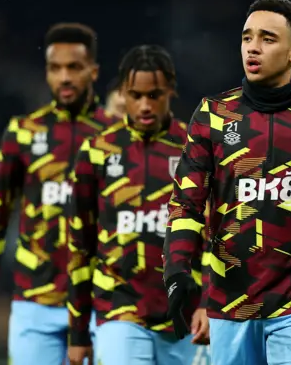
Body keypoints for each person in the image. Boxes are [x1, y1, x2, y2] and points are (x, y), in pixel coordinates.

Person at [163, 0, 291, 365]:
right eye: (247, 37)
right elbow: (187, 204)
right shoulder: (213, 115)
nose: (253, 47)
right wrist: (177, 270)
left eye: (268, 39)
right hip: (231, 303)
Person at [0, 23, 116, 364]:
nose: (64, 77)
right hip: (35, 302)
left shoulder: (116, 136)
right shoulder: (23, 134)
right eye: (55, 68)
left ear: (93, 71)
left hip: (101, 303)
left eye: (74, 67)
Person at [67, 45, 212, 365]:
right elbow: (81, 244)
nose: (145, 105)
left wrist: (209, 303)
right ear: (123, 94)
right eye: (135, 95)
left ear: (171, 90)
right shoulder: (96, 152)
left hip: (188, 317)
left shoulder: (196, 148)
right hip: (120, 310)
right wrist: (77, 333)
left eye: (155, 95)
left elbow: (216, 234)